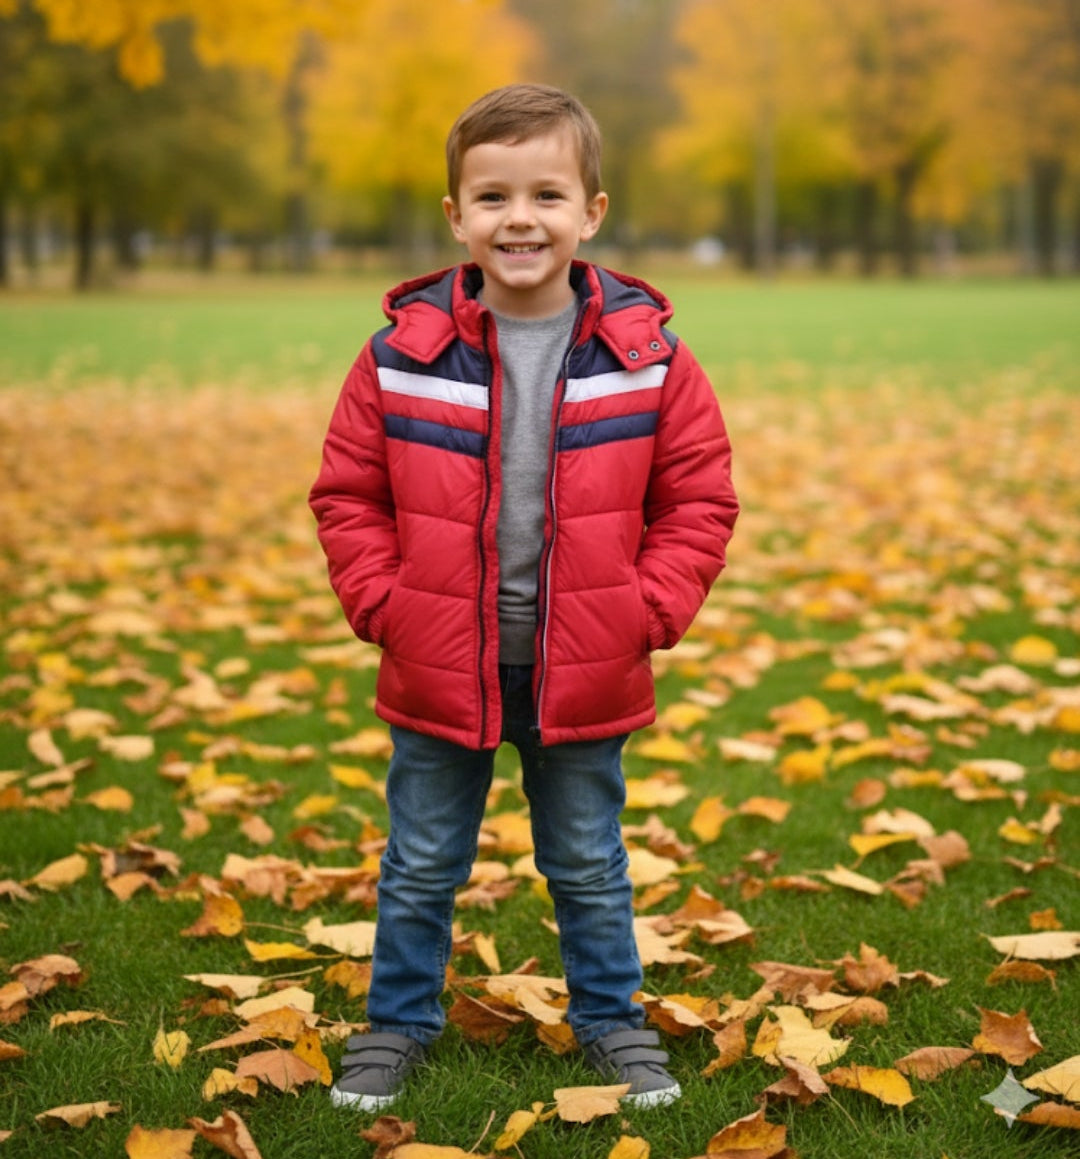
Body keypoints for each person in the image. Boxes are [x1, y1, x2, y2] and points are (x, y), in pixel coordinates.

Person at [309, 83, 738, 1113]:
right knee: (420, 861)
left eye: (547, 194)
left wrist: (647, 610)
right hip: (438, 655)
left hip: (586, 660)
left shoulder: (648, 359)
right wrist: (384, 604)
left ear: (592, 212)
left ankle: (612, 1021)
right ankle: (396, 1023)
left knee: (587, 860)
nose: (520, 218)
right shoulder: (401, 356)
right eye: (493, 196)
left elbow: (699, 498)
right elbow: (347, 495)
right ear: (455, 215)